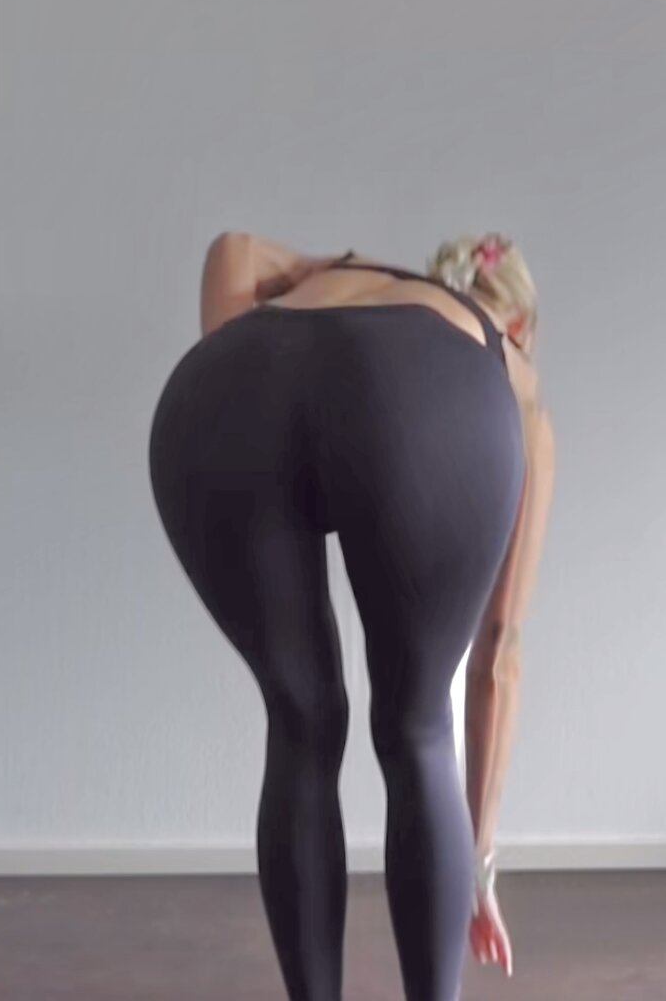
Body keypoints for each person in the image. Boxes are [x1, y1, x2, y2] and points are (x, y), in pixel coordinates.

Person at [148, 230, 556, 1001]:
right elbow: (499, 651)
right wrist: (479, 862)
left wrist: (316, 277)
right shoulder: (510, 373)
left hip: (228, 389)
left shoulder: (343, 277)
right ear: (519, 324)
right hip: (416, 406)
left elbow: (232, 249)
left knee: (300, 721)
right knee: (417, 727)